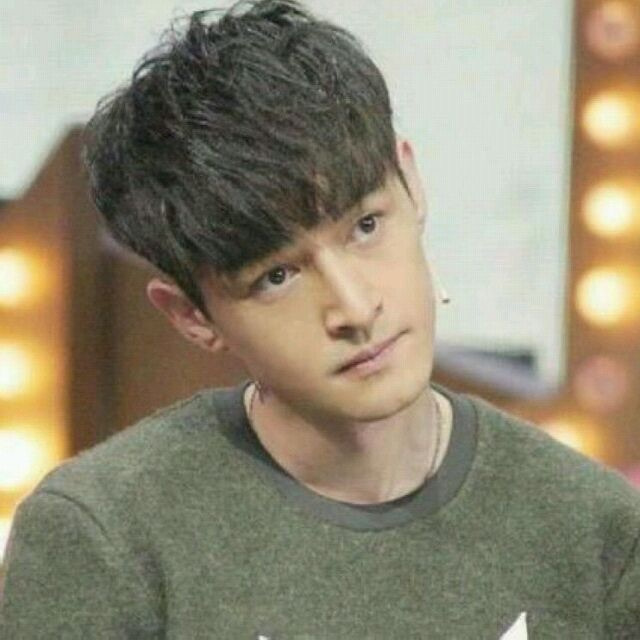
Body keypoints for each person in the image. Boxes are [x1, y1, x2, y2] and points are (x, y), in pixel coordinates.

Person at [1, 1, 639, 637]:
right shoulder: (103, 539)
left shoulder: (594, 529)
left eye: (366, 226)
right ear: (191, 316)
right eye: (277, 276)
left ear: (411, 183)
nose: (355, 309)